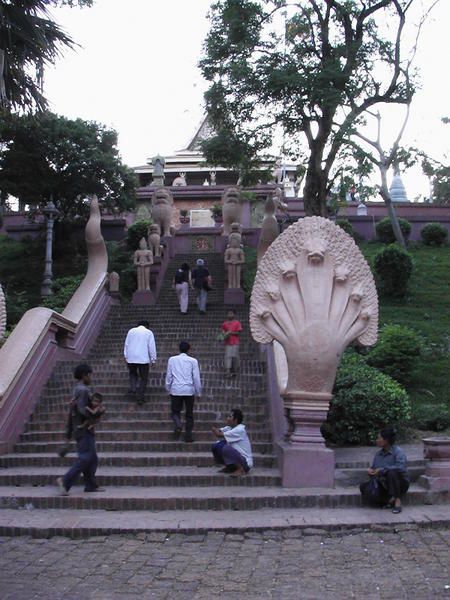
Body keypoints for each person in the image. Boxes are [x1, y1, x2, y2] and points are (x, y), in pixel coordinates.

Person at [56, 363, 104, 495]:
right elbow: (83, 411)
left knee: (92, 458)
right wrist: (97, 413)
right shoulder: (83, 391)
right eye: (90, 375)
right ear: (84, 375)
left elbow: (72, 413)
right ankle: (65, 481)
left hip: (79, 429)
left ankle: (91, 485)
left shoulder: (77, 390)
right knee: (85, 457)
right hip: (83, 429)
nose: (91, 378)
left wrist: (69, 432)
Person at [360, 426, 410, 513]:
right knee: (363, 487)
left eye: (379, 438)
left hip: (399, 483)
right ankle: (389, 500)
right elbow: (375, 468)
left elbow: (401, 468)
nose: (377, 440)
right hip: (384, 483)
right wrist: (371, 471)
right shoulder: (378, 454)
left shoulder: (398, 452)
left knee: (392, 473)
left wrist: (383, 470)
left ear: (386, 440)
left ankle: (397, 501)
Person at [165, 340, 202, 443]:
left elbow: (169, 376)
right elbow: (196, 378)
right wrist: (198, 392)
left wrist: (168, 388)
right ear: (189, 350)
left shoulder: (172, 360)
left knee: (175, 412)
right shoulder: (193, 361)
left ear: (179, 349)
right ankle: (188, 436)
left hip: (176, 389)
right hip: (189, 390)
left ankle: (178, 424)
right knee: (189, 414)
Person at [124, 320, 157, 405]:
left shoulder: (131, 331)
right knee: (143, 378)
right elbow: (151, 346)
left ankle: (133, 388)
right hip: (143, 358)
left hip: (131, 358)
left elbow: (126, 344)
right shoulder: (148, 332)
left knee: (132, 373)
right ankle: (140, 397)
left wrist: (126, 356)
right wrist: (153, 359)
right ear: (147, 326)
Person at [211, 409, 253, 476]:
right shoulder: (229, 427)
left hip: (245, 462)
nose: (227, 418)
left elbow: (218, 434)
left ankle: (241, 469)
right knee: (217, 445)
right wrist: (216, 430)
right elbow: (219, 431)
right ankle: (230, 467)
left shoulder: (240, 429)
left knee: (226, 448)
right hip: (238, 457)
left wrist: (213, 429)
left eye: (230, 417)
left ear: (235, 420)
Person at [221, 309, 242, 378]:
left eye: (231, 313)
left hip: (235, 342)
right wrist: (224, 335)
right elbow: (222, 334)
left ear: (234, 315)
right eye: (229, 314)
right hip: (228, 343)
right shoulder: (224, 324)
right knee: (228, 357)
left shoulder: (237, 323)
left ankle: (235, 371)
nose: (230, 315)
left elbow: (239, 333)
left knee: (235, 357)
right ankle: (228, 372)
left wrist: (231, 332)